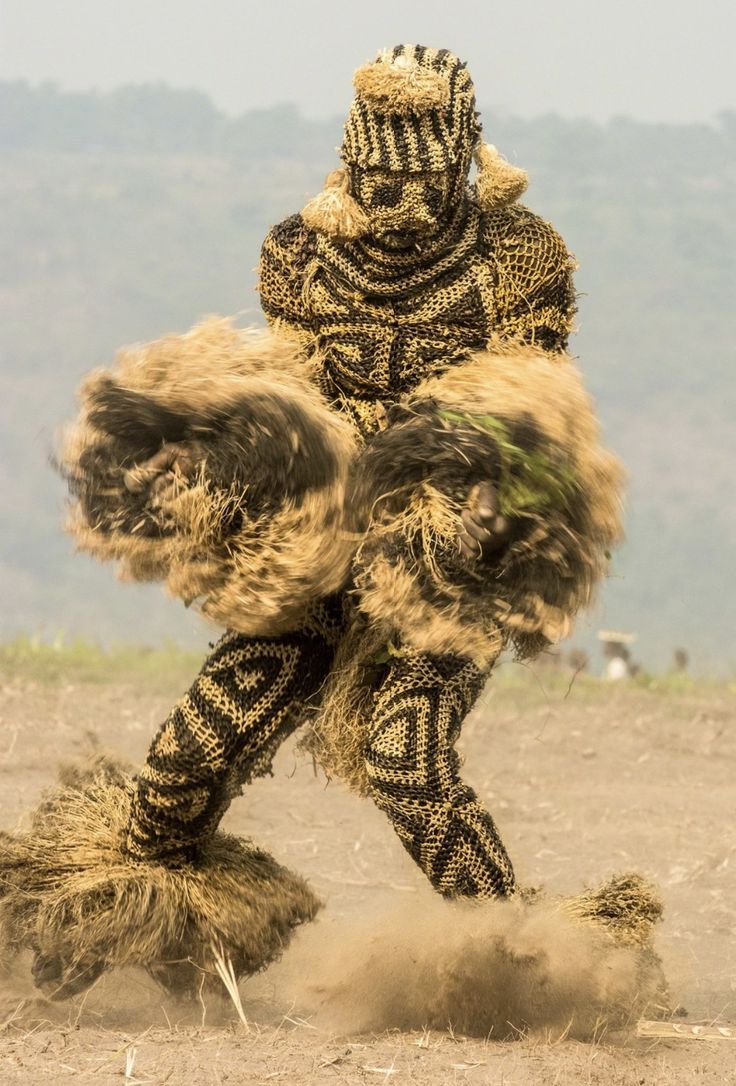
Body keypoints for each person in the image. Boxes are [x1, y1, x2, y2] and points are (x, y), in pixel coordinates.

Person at [0, 45, 627, 997]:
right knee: (188, 760)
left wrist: (479, 505)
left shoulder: (520, 256)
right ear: (353, 153)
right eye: (378, 177)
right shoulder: (299, 250)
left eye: (419, 181)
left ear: (461, 159)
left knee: (406, 758)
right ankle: (129, 938)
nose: (396, 204)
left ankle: (532, 970)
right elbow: (292, 389)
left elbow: (536, 405)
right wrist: (220, 459)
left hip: (447, 563)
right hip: (324, 544)